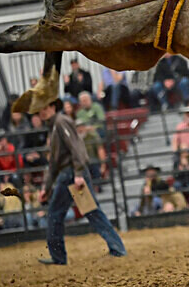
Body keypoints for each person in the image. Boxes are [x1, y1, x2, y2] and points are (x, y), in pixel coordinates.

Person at [36, 99, 126, 265]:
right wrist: (47, 187)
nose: (42, 111)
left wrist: (77, 173)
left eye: (45, 107)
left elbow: (76, 148)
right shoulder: (57, 124)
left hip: (70, 173)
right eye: (40, 109)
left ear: (52, 106)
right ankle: (117, 247)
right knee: (91, 211)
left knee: (56, 213)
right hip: (71, 173)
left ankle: (58, 257)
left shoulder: (60, 123)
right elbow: (56, 162)